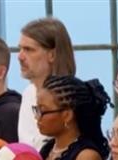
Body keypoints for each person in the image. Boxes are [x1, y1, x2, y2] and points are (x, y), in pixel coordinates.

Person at [17, 17, 76, 150]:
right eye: (20, 49)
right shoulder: (29, 93)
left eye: (29, 49)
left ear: (52, 55)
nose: (20, 56)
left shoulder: (70, 98)